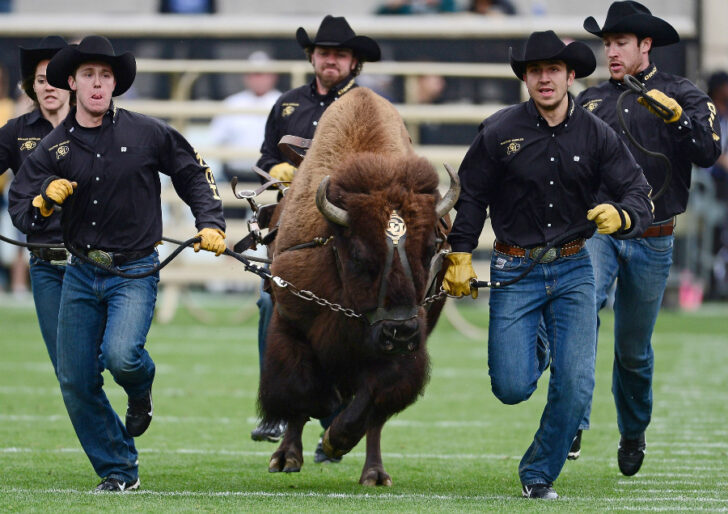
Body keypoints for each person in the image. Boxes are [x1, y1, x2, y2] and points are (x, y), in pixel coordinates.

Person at [8, 35, 226, 492]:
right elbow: (21, 211)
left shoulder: (146, 131)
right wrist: (45, 202)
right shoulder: (52, 148)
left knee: (122, 357)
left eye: (105, 76)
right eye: (88, 75)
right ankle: (119, 469)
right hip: (81, 272)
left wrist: (211, 221)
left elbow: (191, 171)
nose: (97, 84)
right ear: (71, 82)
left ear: (114, 85)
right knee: (74, 377)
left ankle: (140, 386)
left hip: (135, 270)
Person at [443, 30, 653, 499]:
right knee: (511, 386)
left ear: (570, 75)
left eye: (553, 70)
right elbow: (472, 196)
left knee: (576, 384)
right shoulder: (497, 131)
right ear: (525, 77)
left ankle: (539, 473)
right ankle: (538, 344)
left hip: (576, 266)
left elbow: (638, 193)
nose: (544, 79)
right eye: (535, 70)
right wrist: (459, 252)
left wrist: (623, 215)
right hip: (514, 269)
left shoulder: (598, 134)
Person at [569, 1, 722, 474]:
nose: (611, 52)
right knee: (583, 306)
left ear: (645, 45)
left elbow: (710, 153)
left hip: (655, 237)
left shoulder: (684, 94)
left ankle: (633, 430)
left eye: (620, 44)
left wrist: (679, 120)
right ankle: (571, 414)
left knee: (633, 351)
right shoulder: (589, 101)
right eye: (607, 44)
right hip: (601, 231)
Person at [252, 15, 380, 463]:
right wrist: (277, 171)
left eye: (340, 54)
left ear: (353, 62)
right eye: (324, 53)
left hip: (351, 236)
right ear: (312, 57)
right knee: (273, 303)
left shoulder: (369, 110)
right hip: (294, 231)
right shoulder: (287, 105)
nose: (331, 60)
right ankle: (279, 406)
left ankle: (340, 412)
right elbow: (266, 158)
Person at [0, 36, 70, 368]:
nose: (48, 87)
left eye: (55, 79)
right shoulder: (15, 131)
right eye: (41, 80)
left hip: (96, 259)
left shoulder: (99, 127)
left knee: (115, 354)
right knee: (66, 367)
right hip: (45, 262)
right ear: (32, 87)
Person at [208, 50, 280, 187]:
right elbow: (217, 140)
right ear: (246, 77)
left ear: (273, 77)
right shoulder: (231, 103)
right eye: (254, 74)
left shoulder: (283, 103)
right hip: (235, 175)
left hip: (271, 177)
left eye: (263, 74)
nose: (258, 79)